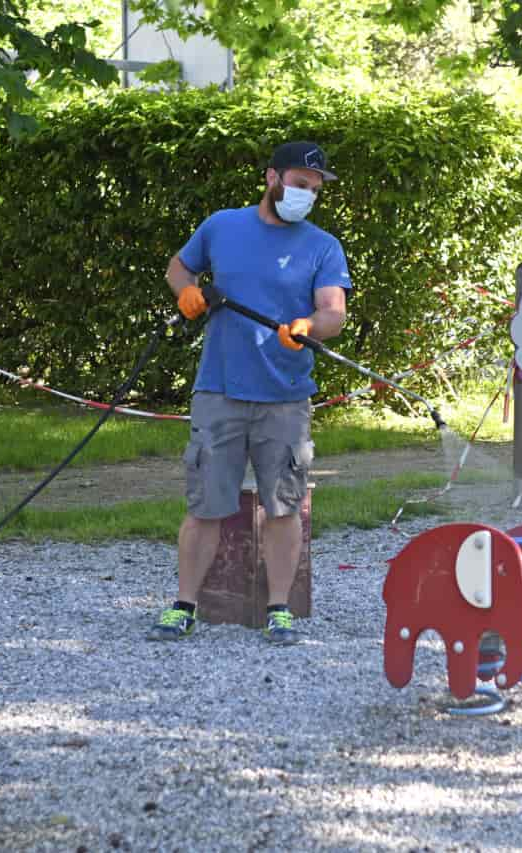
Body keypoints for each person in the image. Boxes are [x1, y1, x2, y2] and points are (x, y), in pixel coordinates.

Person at [147, 141, 350, 645]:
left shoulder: (322, 245)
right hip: (218, 389)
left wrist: (310, 324)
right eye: (300, 184)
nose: (306, 195)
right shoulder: (222, 226)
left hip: (285, 395)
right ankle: (183, 606)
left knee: (283, 506)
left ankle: (279, 609)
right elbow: (178, 267)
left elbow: (334, 312)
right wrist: (187, 292)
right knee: (205, 505)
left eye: (315, 189)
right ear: (272, 178)